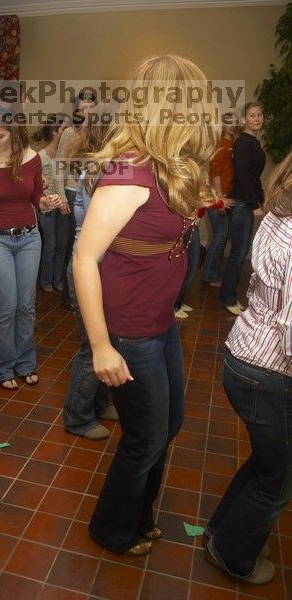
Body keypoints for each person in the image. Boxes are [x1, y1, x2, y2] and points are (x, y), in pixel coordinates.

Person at [73, 55, 219, 555]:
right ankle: (113, 529)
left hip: (159, 322)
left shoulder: (166, 165)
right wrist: (100, 347)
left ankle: (138, 516)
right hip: (129, 330)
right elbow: (84, 259)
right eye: (196, 101)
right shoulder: (128, 173)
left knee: (168, 425)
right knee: (145, 436)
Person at [204, 151, 292, 585]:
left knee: (268, 463)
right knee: (277, 481)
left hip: (244, 356)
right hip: (268, 372)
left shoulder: (277, 213)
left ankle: (222, 530)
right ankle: (233, 554)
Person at [0, 104, 63, 390]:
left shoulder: (31, 159)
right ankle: (3, 368)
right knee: (7, 306)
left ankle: (25, 363)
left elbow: (37, 197)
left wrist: (48, 203)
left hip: (29, 237)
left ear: (13, 132)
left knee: (26, 306)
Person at [63, 116, 118, 440]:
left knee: (103, 340)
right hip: (88, 267)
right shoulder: (99, 174)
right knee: (92, 346)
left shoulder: (104, 170)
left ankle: (99, 403)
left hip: (99, 266)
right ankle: (77, 418)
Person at [219, 102, 265, 315]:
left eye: (259, 115)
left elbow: (254, 178)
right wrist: (254, 204)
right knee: (238, 253)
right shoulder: (243, 143)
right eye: (252, 115)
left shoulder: (253, 142)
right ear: (245, 119)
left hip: (247, 202)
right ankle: (228, 298)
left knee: (240, 251)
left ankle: (228, 295)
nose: (256, 118)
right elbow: (244, 177)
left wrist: (260, 200)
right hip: (241, 203)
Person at [55, 91, 97, 306]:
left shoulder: (99, 134)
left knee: (89, 247)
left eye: (90, 106)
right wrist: (61, 197)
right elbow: (59, 166)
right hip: (73, 194)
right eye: (83, 107)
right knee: (75, 245)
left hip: (93, 194)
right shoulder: (70, 133)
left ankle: (83, 295)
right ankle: (70, 297)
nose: (87, 111)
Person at [31, 113, 71, 292]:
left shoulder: (67, 153)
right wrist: (49, 200)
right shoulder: (40, 155)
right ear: (55, 132)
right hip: (47, 206)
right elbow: (38, 184)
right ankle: (46, 280)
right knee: (51, 245)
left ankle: (57, 279)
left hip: (63, 204)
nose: (69, 131)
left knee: (62, 245)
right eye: (64, 128)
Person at [201, 112, 238, 287]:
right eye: (228, 122)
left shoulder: (232, 144)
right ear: (222, 126)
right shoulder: (221, 144)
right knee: (220, 235)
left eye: (234, 122)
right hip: (217, 197)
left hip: (227, 196)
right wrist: (219, 198)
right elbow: (214, 172)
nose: (232, 125)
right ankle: (209, 276)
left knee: (223, 236)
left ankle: (211, 273)